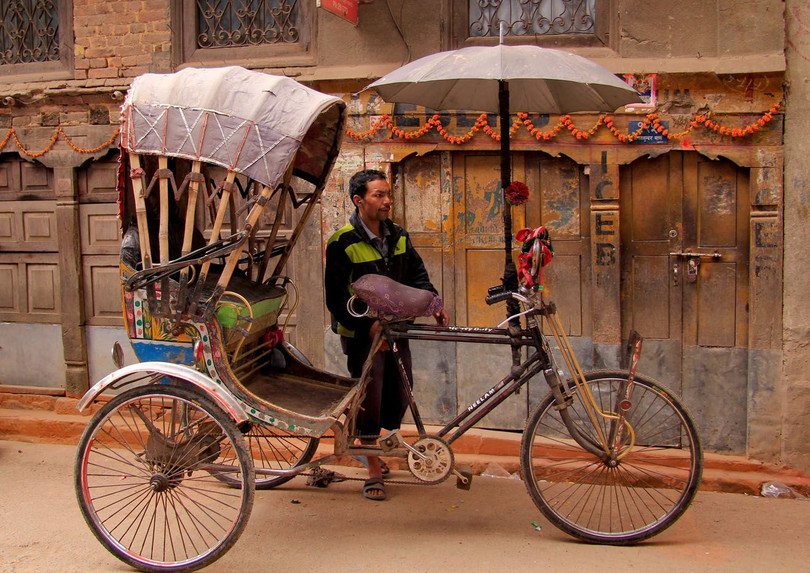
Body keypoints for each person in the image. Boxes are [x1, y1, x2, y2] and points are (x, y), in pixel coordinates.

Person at [325, 169, 448, 501]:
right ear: (358, 200)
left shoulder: (398, 234)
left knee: (401, 390)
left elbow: (417, 273)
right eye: (378, 195)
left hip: (396, 328)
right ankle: (373, 469)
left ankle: (386, 447)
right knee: (370, 397)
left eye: (388, 195)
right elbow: (335, 299)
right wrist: (369, 328)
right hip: (363, 335)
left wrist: (433, 301)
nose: (386, 201)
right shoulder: (342, 241)